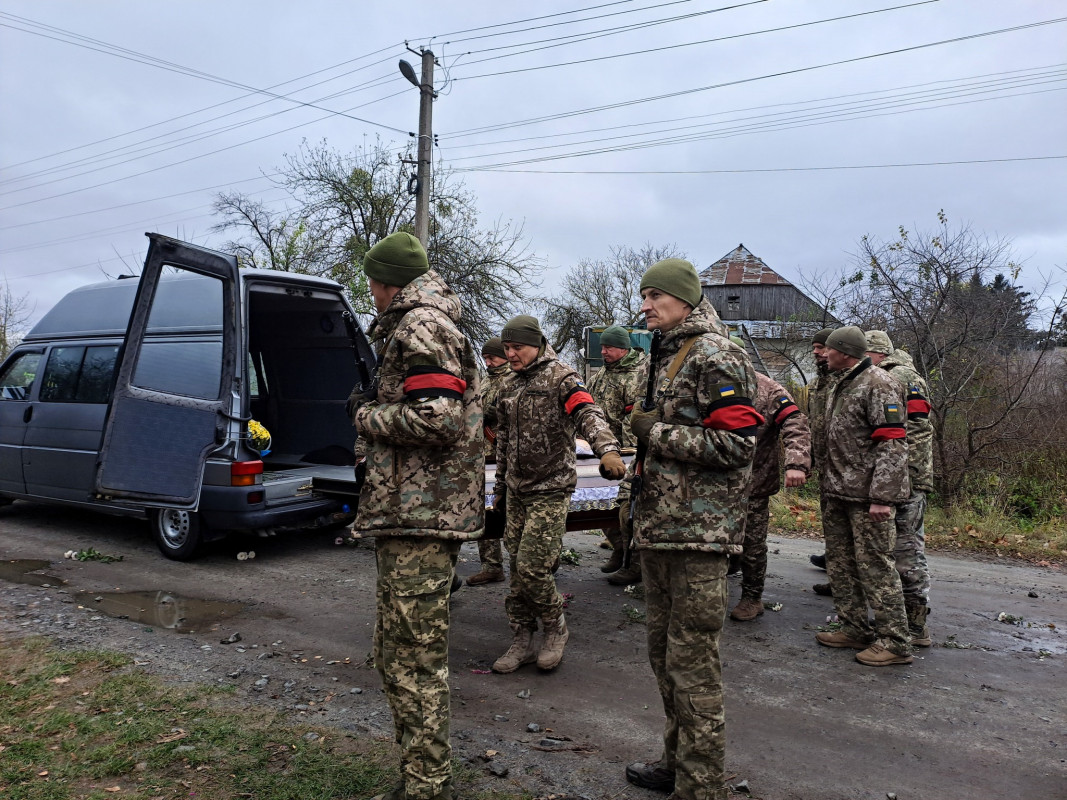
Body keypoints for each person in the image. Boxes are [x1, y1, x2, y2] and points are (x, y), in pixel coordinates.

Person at [346, 231, 484, 800]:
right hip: (412, 512)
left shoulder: (421, 325)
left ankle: (427, 786)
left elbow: (438, 419)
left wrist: (368, 417)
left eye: (371, 282)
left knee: (413, 659)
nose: (369, 292)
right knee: (400, 652)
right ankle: (422, 777)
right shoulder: (421, 321)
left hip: (422, 515)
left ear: (386, 281)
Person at [623, 259, 761, 800]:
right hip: (661, 529)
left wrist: (655, 433)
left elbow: (736, 446)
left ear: (684, 298)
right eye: (643, 295)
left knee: (693, 662)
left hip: (699, 535)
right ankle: (677, 762)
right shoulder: (663, 353)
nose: (646, 305)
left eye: (655, 295)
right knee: (663, 655)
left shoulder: (717, 355)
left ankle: (702, 786)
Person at [492, 315, 625, 673]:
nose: (511, 353)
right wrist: (501, 486)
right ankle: (521, 638)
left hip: (550, 489)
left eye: (516, 346)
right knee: (516, 569)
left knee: (534, 567)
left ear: (536, 344)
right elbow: (503, 439)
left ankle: (555, 628)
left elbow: (587, 412)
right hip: (517, 489)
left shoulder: (562, 376)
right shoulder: (508, 384)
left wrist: (607, 449)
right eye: (506, 348)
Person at [817, 325, 912, 667]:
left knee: (875, 566)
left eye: (828, 349)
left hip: (866, 495)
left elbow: (893, 442)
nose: (823, 354)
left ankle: (896, 641)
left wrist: (882, 497)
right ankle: (854, 627)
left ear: (844, 351)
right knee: (840, 564)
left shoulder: (880, 383)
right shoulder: (841, 383)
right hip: (837, 491)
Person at [865, 330, 935, 646]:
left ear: (876, 353)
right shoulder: (893, 374)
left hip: (907, 477)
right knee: (896, 545)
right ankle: (901, 619)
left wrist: (905, 473)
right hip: (899, 474)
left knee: (907, 547)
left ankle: (916, 625)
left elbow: (918, 428)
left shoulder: (903, 377)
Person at [730, 366, 812, 621]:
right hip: (711, 482)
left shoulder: (768, 389)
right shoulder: (707, 381)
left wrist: (796, 463)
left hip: (753, 481)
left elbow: (795, 423)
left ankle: (752, 597)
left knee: (752, 542)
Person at [587, 324, 648, 584]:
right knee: (602, 503)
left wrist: (628, 455)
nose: (603, 351)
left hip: (626, 453)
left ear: (623, 348)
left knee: (628, 507)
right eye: (602, 347)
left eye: (608, 347)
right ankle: (619, 548)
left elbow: (632, 418)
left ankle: (633, 562)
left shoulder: (636, 375)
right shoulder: (601, 374)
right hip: (602, 451)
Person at [467, 337, 510, 587]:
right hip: (483, 455)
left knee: (509, 511)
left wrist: (497, 414)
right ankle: (491, 565)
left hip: (504, 454)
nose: (488, 361)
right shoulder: (484, 380)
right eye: (485, 357)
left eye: (492, 357)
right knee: (484, 510)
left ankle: (532, 563)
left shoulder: (512, 379)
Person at [806, 327, 836, 596]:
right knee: (831, 520)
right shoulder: (817, 385)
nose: (816, 352)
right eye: (814, 348)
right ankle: (837, 574)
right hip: (827, 466)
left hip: (847, 468)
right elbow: (813, 425)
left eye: (821, 347)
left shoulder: (846, 382)